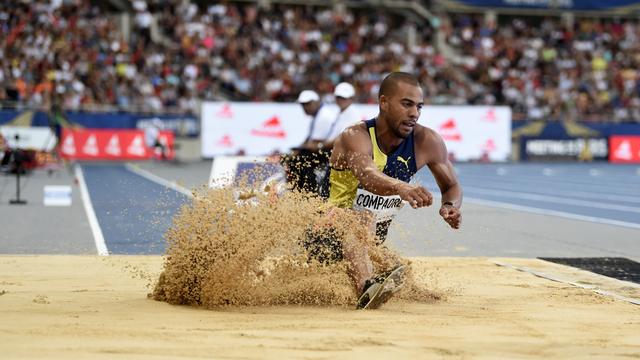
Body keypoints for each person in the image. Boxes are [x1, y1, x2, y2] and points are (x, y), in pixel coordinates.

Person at [308, 72, 463, 309]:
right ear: (384, 102)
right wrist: (400, 186)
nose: (414, 113)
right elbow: (367, 176)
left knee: (400, 271)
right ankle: (366, 290)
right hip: (326, 233)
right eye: (407, 104)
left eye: (419, 107)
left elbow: (451, 185)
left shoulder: (427, 141)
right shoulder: (355, 136)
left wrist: (450, 206)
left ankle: (376, 274)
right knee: (361, 218)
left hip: (370, 241)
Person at [281, 90, 337, 195]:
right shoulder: (318, 115)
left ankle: (309, 191)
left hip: (327, 152)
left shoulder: (324, 116)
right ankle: (301, 190)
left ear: (316, 102)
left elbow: (315, 143)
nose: (305, 107)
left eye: (307, 104)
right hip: (322, 150)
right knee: (294, 158)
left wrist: (297, 151)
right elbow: (309, 140)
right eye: (303, 105)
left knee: (298, 161)